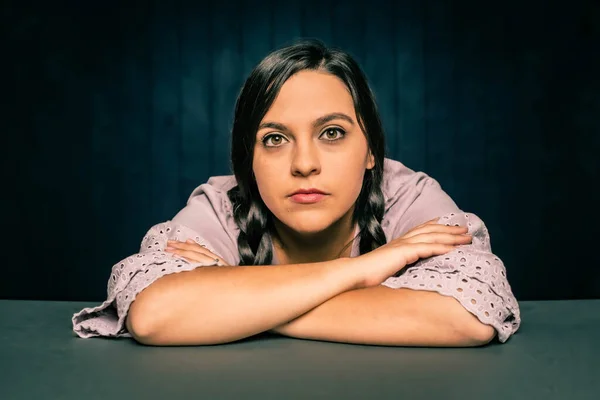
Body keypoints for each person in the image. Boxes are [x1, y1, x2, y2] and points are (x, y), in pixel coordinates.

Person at [72, 39, 520, 347]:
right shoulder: (220, 206)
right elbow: (154, 316)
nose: (304, 164)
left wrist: (235, 307)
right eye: (274, 138)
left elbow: (468, 318)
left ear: (371, 152)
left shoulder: (410, 197)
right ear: (249, 159)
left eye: (331, 132)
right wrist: (363, 271)